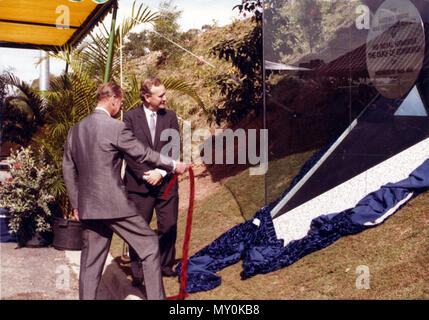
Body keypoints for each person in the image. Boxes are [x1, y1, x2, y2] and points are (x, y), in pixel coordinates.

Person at [62, 82, 188, 300]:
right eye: (120, 102)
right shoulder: (115, 127)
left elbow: (68, 169)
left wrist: (76, 204)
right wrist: (173, 165)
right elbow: (143, 153)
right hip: (115, 206)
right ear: (112, 99)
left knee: (90, 262)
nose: (121, 107)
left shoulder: (76, 130)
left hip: (88, 208)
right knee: (149, 245)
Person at [123, 77, 180, 283]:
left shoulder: (171, 117)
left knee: (169, 226)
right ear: (147, 97)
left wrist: (161, 173)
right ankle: (138, 272)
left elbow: (174, 149)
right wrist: (146, 174)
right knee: (139, 229)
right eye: (161, 95)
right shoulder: (129, 118)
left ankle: (165, 265)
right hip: (139, 185)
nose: (165, 98)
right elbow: (128, 151)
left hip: (166, 184)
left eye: (164, 93)